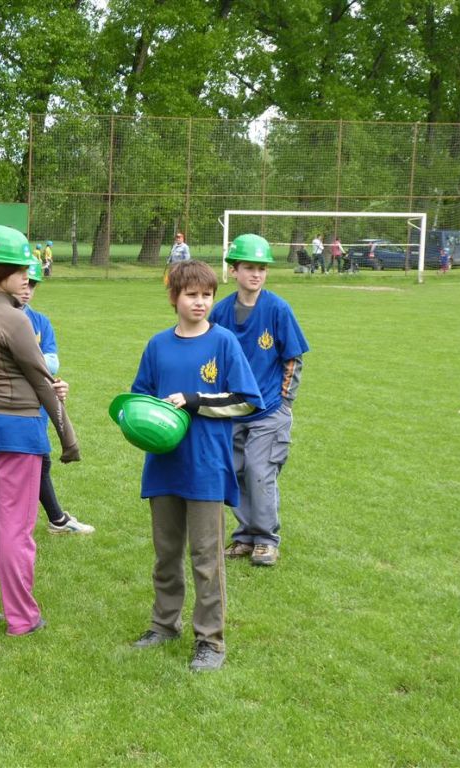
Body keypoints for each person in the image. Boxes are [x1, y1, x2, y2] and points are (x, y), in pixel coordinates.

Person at [128, 259, 262, 672]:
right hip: (164, 465)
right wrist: (142, 419)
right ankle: (163, 625)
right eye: (191, 295)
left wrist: (195, 400)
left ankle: (210, 640)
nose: (200, 302)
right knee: (166, 554)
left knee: (206, 558)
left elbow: (247, 400)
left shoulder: (223, 343)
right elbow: (140, 398)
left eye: (207, 295)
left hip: (206, 467)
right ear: (174, 298)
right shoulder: (157, 346)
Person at [0, 225, 80, 636]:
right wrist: (69, 438)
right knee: (16, 528)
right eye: (21, 270)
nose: (27, 277)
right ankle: (22, 617)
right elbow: (41, 381)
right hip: (18, 430)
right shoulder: (14, 318)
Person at [210, 234, 309, 569]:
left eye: (262, 269)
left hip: (269, 409)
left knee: (259, 471)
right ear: (234, 270)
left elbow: (293, 359)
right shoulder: (221, 311)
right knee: (236, 471)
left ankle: (266, 540)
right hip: (232, 409)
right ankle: (245, 537)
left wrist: (284, 403)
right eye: (249, 268)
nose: (256, 274)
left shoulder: (278, 309)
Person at [18, 258, 94, 535]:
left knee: (39, 461)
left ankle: (56, 519)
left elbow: (52, 362)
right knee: (32, 462)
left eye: (33, 285)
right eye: (24, 283)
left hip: (37, 406)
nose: (27, 290)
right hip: (14, 406)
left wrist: (47, 376)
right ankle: (55, 519)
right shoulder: (1, 318)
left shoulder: (40, 321)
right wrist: (39, 365)